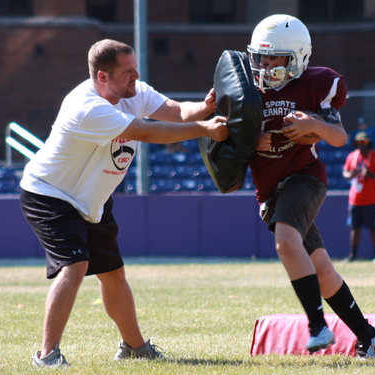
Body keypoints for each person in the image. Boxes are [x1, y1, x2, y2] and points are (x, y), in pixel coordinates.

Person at [19, 39, 228, 367]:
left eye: (136, 68)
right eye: (128, 71)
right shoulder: (87, 107)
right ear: (103, 77)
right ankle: (46, 356)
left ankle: (134, 347)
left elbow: (174, 111)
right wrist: (204, 129)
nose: (137, 75)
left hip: (92, 199)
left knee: (113, 274)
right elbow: (146, 133)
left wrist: (205, 108)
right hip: (50, 194)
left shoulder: (134, 92)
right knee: (75, 264)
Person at [247, 14, 375, 358]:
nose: (265, 63)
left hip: (305, 176)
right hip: (270, 190)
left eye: (274, 56)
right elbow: (222, 142)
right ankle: (367, 335)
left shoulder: (315, 84)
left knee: (286, 243)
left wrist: (315, 124)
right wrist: (250, 141)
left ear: (297, 56)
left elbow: (339, 137)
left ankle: (316, 325)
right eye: (261, 56)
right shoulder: (244, 90)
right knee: (322, 271)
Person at [342, 132, 375, 262]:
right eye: (359, 143)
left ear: (369, 143)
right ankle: (352, 255)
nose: (361, 145)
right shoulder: (352, 156)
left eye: (364, 143)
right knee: (355, 228)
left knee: (373, 228)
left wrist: (370, 174)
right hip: (355, 199)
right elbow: (345, 173)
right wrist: (351, 174)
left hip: (371, 199)